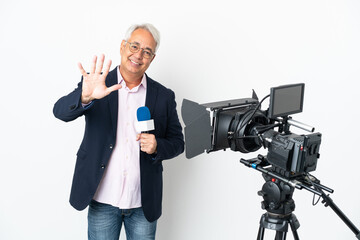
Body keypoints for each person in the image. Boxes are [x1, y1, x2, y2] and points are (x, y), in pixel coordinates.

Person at [53, 23, 184, 240]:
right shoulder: (98, 84)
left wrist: (157, 146)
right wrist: (85, 97)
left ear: (152, 58)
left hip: (143, 203)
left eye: (147, 51)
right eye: (134, 46)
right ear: (123, 46)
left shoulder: (163, 96)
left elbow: (178, 143)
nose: (139, 55)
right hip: (102, 200)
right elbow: (60, 112)